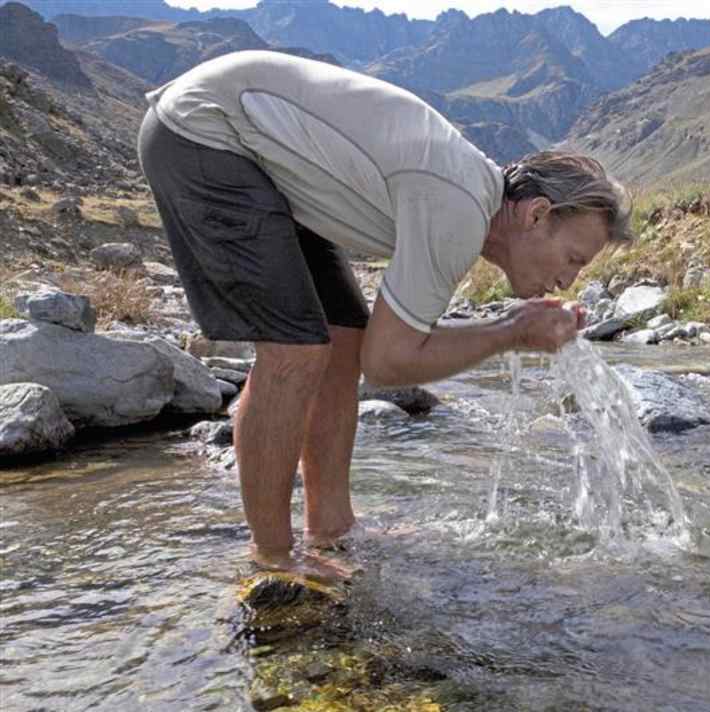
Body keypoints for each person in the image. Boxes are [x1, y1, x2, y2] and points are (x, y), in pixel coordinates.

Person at [138, 50, 632, 576]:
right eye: (573, 259)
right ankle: (272, 559)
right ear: (537, 214)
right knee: (295, 352)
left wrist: (510, 329)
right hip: (205, 134)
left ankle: (331, 528)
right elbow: (391, 363)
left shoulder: (465, 199)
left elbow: (372, 352)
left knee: (342, 339)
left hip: (264, 160)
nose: (568, 281)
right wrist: (513, 330)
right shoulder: (457, 209)